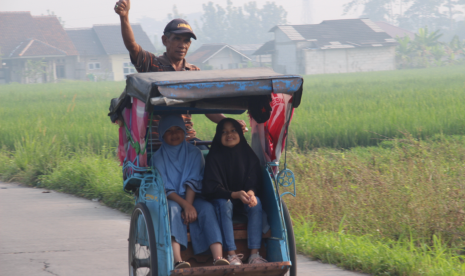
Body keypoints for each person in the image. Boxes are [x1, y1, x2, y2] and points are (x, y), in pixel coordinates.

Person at [114, 0, 247, 150]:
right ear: (165, 40)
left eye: (186, 41)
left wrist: (230, 123)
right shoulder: (152, 65)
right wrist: (124, 17)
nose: (182, 44)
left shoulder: (194, 72)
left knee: (211, 159)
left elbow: (208, 108)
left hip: (188, 138)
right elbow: (132, 46)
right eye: (177, 39)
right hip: (158, 141)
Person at [151, 115, 229, 269]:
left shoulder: (195, 153)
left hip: (192, 195)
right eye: (169, 131)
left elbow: (193, 181)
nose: (174, 134)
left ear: (184, 132)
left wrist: (189, 205)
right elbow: (165, 187)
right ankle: (178, 260)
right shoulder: (157, 158)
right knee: (172, 210)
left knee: (207, 208)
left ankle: (218, 257)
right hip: (171, 197)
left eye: (178, 129)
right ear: (161, 135)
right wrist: (186, 206)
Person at [202, 118, 268, 265]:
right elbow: (212, 188)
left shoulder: (248, 154)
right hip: (221, 201)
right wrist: (234, 194)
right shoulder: (214, 156)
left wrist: (251, 192)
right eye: (224, 132)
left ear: (240, 133)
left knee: (256, 203)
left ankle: (254, 255)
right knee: (225, 204)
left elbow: (254, 178)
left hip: (243, 199)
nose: (229, 134)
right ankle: (231, 254)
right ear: (219, 136)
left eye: (233, 130)